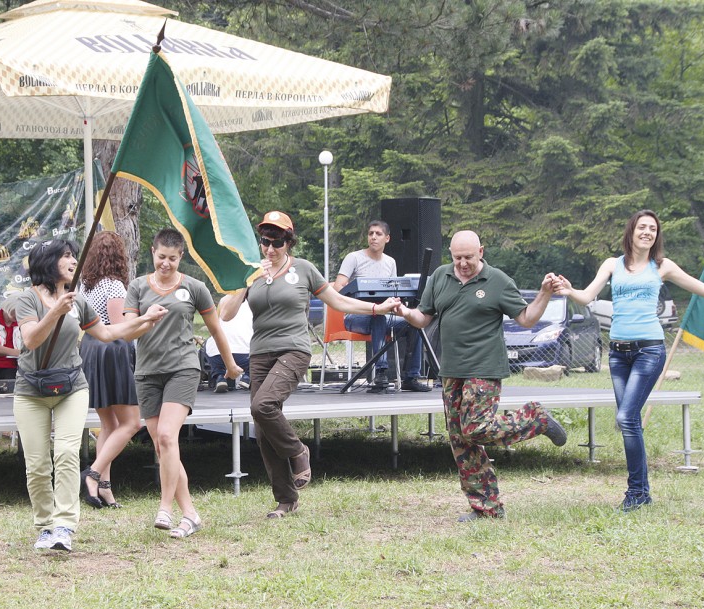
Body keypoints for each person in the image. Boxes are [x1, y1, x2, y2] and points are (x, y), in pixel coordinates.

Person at [219, 211, 401, 520]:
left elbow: (337, 301)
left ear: (288, 241)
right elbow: (225, 314)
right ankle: (286, 500)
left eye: (277, 241)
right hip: (260, 352)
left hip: (294, 348)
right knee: (263, 429)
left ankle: (298, 452)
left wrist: (376, 307)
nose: (270, 248)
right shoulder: (251, 271)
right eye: (265, 241)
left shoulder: (303, 269)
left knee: (263, 405)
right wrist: (243, 282)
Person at [555, 209, 704, 512]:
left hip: (649, 351)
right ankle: (641, 492)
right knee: (630, 422)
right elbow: (587, 297)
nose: (647, 233)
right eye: (642, 227)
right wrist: (568, 290)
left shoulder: (662, 266)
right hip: (617, 353)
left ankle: (636, 492)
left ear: (657, 235)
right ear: (632, 231)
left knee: (626, 418)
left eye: (652, 229)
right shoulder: (612, 265)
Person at [395, 230, 567, 521]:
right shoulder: (440, 277)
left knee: (474, 428)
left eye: (468, 258)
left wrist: (545, 293)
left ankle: (534, 418)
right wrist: (403, 311)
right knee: (461, 441)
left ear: (481, 252)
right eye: (457, 257)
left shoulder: (498, 281)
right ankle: (487, 508)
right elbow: (423, 318)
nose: (462, 264)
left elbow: (526, 319)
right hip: (451, 371)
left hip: (484, 368)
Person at [14, 239, 167, 552]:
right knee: (38, 465)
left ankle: (64, 526)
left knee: (67, 453)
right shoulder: (27, 300)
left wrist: (145, 320)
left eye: (74, 255)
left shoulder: (78, 301)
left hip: (72, 385)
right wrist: (55, 311)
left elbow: (109, 333)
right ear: (48, 262)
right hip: (31, 390)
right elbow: (30, 340)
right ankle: (44, 526)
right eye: (67, 256)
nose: (74, 261)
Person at [124, 228, 242, 539]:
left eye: (173, 259)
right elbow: (126, 333)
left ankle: (165, 507)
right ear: (153, 252)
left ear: (181, 257)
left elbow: (216, 328)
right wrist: (146, 318)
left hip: (183, 368)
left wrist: (229, 365)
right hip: (147, 372)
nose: (166, 264)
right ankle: (190, 514)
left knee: (166, 435)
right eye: (161, 257)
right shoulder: (137, 287)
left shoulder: (194, 287)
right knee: (164, 448)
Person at [78, 230, 140, 510]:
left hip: (90, 349)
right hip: (111, 351)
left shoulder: (85, 286)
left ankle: (105, 487)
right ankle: (92, 474)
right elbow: (119, 329)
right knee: (131, 423)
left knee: (109, 424)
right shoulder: (114, 286)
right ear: (119, 256)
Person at [333, 220, 430, 393]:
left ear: (387, 238)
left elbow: (392, 291)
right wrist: (362, 300)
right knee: (376, 315)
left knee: (412, 322)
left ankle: (411, 376)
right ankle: (381, 373)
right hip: (354, 318)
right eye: (370, 233)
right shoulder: (354, 258)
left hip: (382, 316)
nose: (373, 237)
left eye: (378, 234)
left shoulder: (390, 262)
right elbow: (338, 288)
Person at [206, 299, 252, 392]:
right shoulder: (254, 300)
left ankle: (220, 377)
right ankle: (247, 376)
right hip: (244, 353)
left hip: (218, 353)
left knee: (209, 346)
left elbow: (214, 325)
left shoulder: (223, 300)